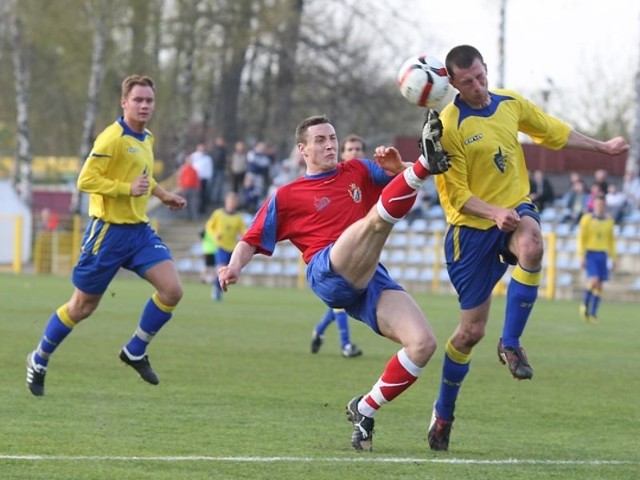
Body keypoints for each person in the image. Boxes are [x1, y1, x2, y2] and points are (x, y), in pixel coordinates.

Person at [427, 44, 629, 451]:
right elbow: (457, 196)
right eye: (468, 82)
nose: (478, 86)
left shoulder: (509, 103)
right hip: (471, 230)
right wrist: (492, 211)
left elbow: (552, 130)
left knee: (533, 246)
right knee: (469, 333)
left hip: (515, 210)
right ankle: (443, 413)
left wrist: (602, 148)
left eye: (481, 76)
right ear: (453, 82)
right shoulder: (448, 126)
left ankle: (512, 343)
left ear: (487, 69)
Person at [218, 114, 450, 451]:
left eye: (332, 137)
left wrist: (402, 167)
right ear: (303, 150)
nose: (330, 144)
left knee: (423, 344)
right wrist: (233, 266)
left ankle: (365, 408)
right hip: (327, 270)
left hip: (367, 276)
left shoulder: (357, 170)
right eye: (320, 140)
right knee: (373, 224)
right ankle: (426, 163)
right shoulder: (287, 195)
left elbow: (402, 193)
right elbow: (252, 238)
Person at [25, 75, 187, 397]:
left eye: (149, 101)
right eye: (138, 100)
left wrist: (163, 194)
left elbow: (143, 176)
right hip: (107, 233)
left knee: (172, 290)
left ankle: (135, 350)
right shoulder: (110, 138)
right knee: (82, 307)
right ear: (124, 103)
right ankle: (39, 358)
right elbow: (85, 180)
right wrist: (126, 190)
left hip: (139, 232)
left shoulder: (147, 138)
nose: (144, 105)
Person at [311, 134, 367, 358]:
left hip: (361, 247)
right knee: (341, 293)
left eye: (358, 149)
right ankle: (346, 345)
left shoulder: (368, 177)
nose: (354, 153)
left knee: (343, 300)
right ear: (342, 153)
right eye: (350, 149)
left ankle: (319, 330)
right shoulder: (333, 179)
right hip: (333, 249)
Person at [577, 195, 616, 324]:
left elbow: (611, 240)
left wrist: (613, 258)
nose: (599, 207)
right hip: (591, 253)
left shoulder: (609, 221)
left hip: (603, 255)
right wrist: (581, 256)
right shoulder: (587, 219)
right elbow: (581, 239)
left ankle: (593, 314)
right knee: (593, 281)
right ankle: (584, 305)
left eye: (601, 204)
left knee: (599, 286)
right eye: (597, 204)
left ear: (604, 206)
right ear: (593, 205)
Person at [205, 191, 246, 301]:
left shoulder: (238, 217)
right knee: (221, 268)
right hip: (221, 246)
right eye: (230, 201)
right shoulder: (218, 214)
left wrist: (244, 236)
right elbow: (209, 226)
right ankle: (216, 289)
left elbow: (243, 231)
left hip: (232, 248)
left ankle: (217, 287)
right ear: (226, 202)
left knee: (228, 272)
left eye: (234, 201)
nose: (232, 203)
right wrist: (215, 235)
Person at [190, 143, 213, 216]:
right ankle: (194, 209)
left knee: (203, 194)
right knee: (195, 195)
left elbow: (209, 168)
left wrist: (209, 177)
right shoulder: (193, 156)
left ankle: (202, 209)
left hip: (203, 178)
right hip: (195, 179)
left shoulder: (207, 158)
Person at [177, 154, 200, 220]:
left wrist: (197, 188)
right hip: (185, 188)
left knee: (193, 204)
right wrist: (181, 187)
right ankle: (186, 217)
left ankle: (194, 217)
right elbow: (180, 178)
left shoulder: (194, 170)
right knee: (185, 204)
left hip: (193, 189)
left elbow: (197, 180)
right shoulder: (183, 169)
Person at [210, 136, 228, 208]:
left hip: (220, 169)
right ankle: (211, 199)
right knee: (212, 185)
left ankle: (217, 199)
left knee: (219, 185)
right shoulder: (213, 150)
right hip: (213, 169)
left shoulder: (224, 150)